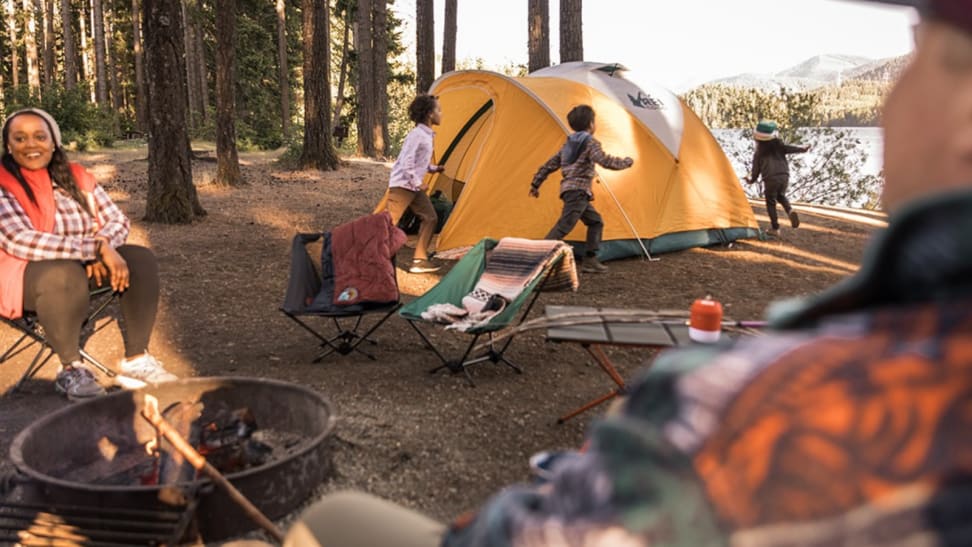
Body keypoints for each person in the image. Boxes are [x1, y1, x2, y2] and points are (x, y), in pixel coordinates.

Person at [277, 0, 972, 543]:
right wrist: (602, 167)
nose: (897, 89)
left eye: (920, 53)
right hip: (578, 201)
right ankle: (552, 245)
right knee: (569, 225)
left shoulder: (761, 398)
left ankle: (558, 246)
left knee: (332, 520)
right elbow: (579, 163)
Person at [0, 108, 177, 401]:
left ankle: (136, 361)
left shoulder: (77, 178)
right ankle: (71, 368)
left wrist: (102, 243)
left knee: (140, 259)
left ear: (54, 141)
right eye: (20, 138)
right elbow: (20, 240)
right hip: (23, 278)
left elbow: (116, 220)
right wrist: (93, 249)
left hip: (78, 270)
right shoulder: (3, 183)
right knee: (62, 272)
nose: (31, 145)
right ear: (8, 145)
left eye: (39, 137)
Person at [529, 104, 633, 274]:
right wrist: (626, 162)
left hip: (574, 192)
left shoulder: (568, 145)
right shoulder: (590, 143)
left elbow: (549, 165)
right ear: (591, 124)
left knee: (595, 222)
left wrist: (535, 184)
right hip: (578, 192)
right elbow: (604, 160)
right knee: (564, 226)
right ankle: (539, 259)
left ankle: (590, 260)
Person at [385, 94, 445, 274]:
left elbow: (417, 161)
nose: (441, 114)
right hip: (403, 186)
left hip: (412, 186)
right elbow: (406, 161)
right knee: (388, 225)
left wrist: (433, 169)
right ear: (429, 114)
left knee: (430, 217)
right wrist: (418, 183)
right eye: (438, 110)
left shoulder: (426, 135)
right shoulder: (417, 135)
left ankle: (419, 260)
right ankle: (372, 260)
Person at [743, 119, 810, 236]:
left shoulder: (759, 153)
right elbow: (792, 149)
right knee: (781, 196)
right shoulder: (780, 147)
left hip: (770, 179)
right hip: (784, 176)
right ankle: (790, 210)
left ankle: (775, 228)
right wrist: (803, 149)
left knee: (770, 202)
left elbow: (755, 171)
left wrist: (750, 180)